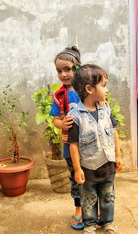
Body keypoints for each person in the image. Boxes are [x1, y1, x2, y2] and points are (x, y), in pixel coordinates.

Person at [68, 64, 123, 234]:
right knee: (88, 198)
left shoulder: (106, 110)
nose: (106, 89)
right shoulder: (76, 117)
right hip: (88, 168)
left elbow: (114, 133)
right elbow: (73, 145)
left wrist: (118, 156)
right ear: (90, 89)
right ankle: (90, 223)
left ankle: (107, 222)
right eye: (104, 85)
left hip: (108, 165)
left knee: (108, 196)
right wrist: (77, 169)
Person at [49, 46, 84, 230]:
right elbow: (55, 120)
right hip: (71, 146)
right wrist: (61, 124)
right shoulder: (59, 96)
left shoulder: (87, 90)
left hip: (90, 144)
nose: (63, 74)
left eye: (68, 69)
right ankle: (79, 209)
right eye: (59, 70)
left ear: (77, 68)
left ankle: (94, 210)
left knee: (92, 177)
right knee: (76, 177)